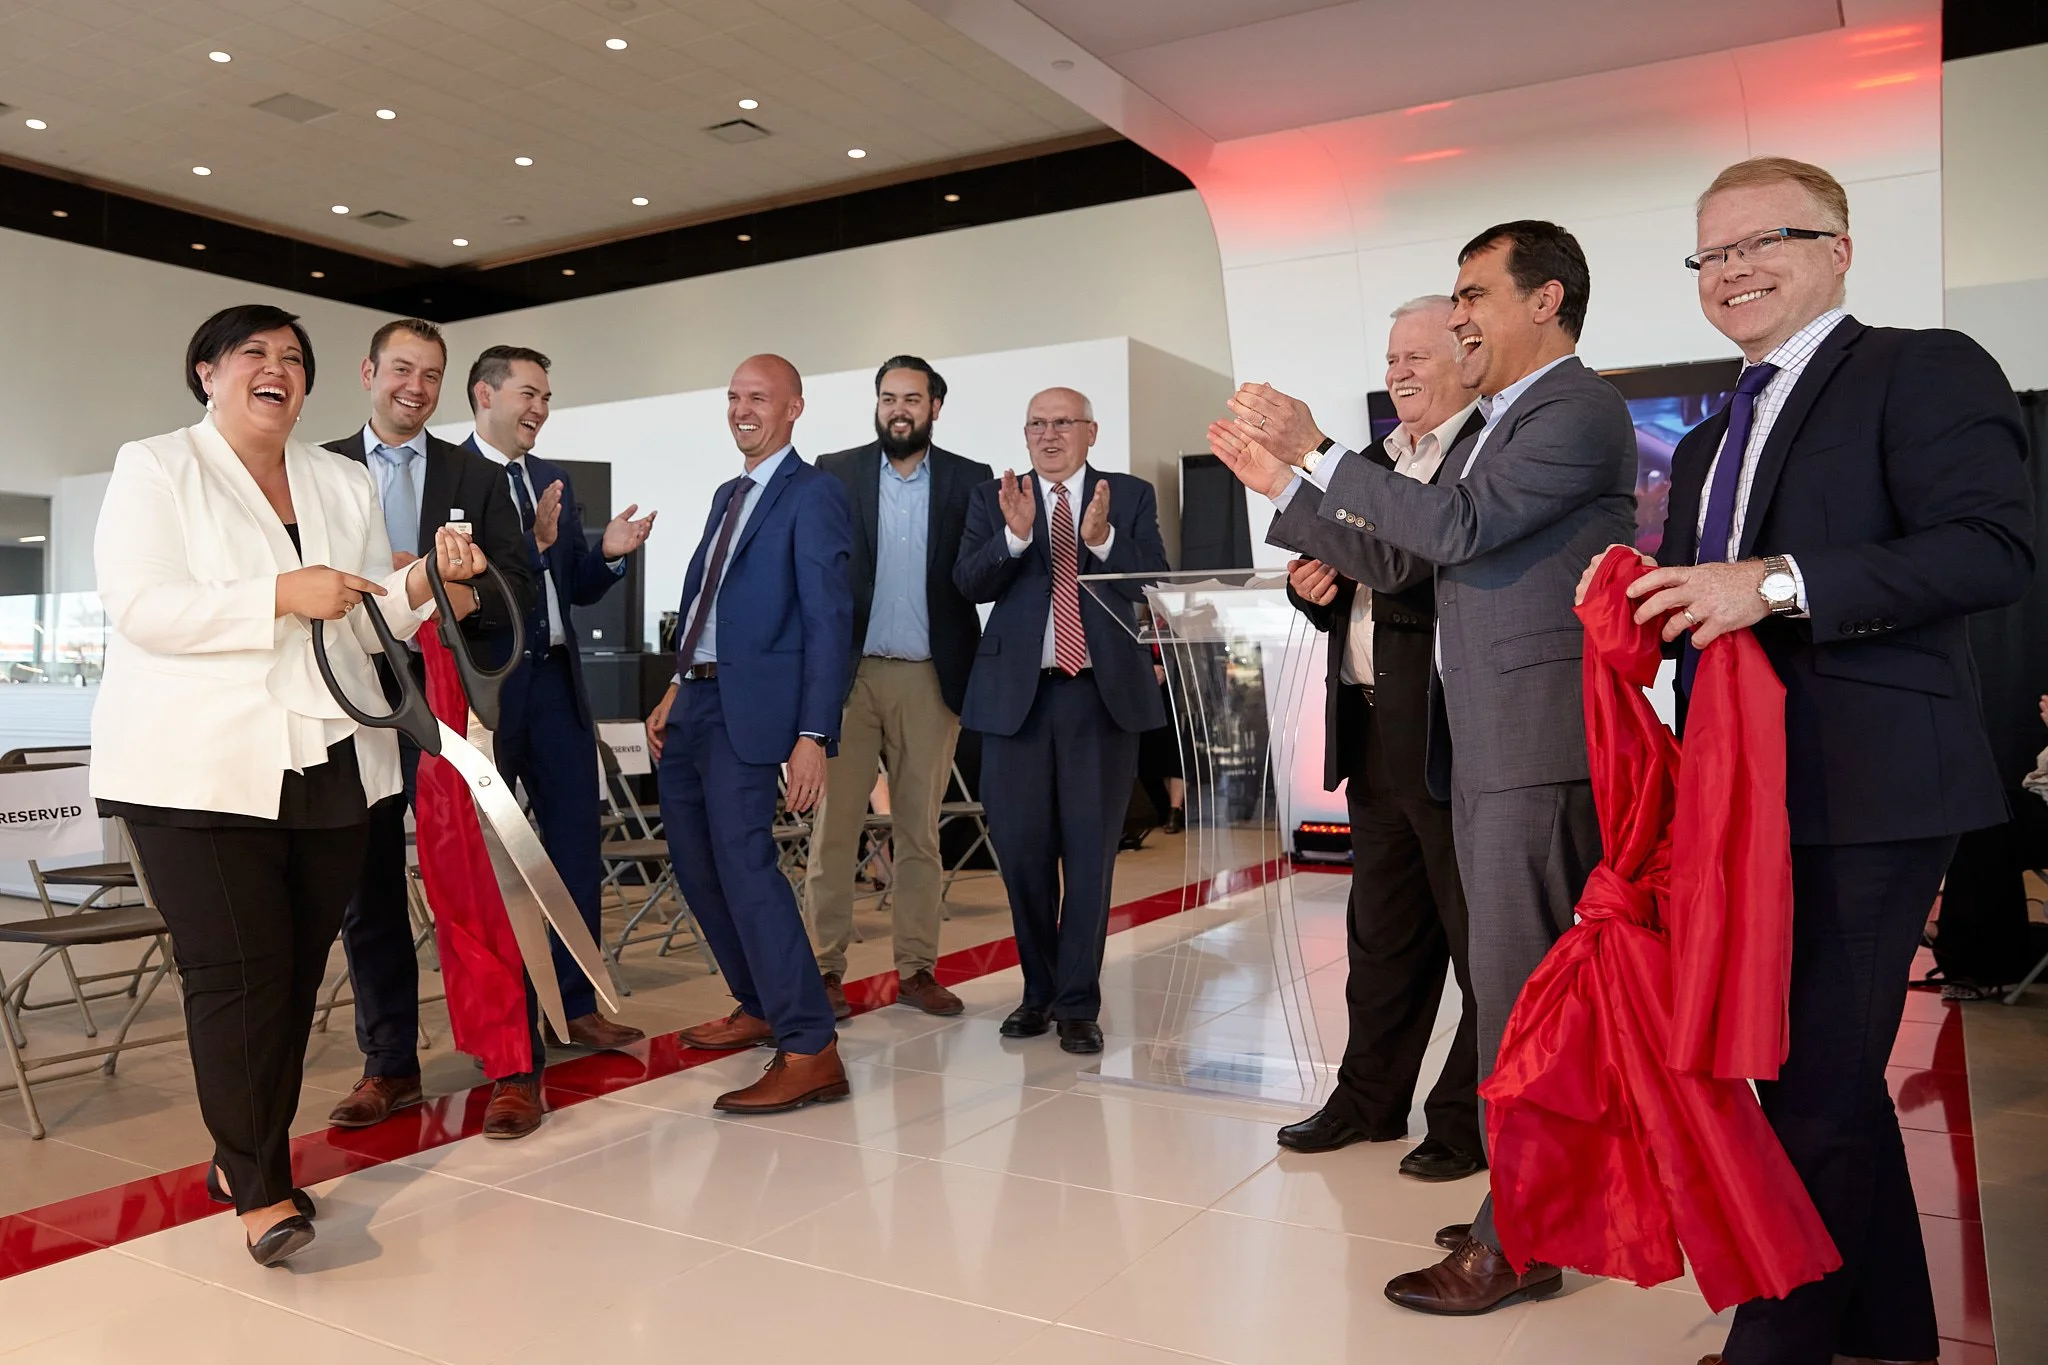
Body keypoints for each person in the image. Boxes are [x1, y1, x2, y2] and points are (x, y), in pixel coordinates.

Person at [1590, 157, 2032, 1365]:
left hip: (1874, 780)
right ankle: (1887, 1327)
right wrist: (1636, 602)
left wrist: (1773, 584)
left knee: (1805, 1088)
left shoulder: (1918, 366)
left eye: (1761, 240)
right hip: (1742, 798)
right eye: (1709, 254)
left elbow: (1992, 548)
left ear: (1837, 247)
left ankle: (1776, 1342)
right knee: (1815, 1077)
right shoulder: (1701, 445)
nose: (1731, 270)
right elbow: (1703, 613)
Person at [1208, 221, 1636, 1313]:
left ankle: (1519, 1239)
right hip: (1485, 740)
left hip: (1528, 742)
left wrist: (1313, 452)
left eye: (1471, 296)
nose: (1455, 319)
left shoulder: (1572, 407)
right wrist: (1285, 481)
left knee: (1519, 999)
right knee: (1511, 994)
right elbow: (1400, 554)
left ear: (1543, 300)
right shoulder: (1509, 419)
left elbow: (1451, 525)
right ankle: (1526, 1211)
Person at [91, 304, 488, 1265]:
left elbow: (359, 617)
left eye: (294, 359)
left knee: (297, 971)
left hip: (329, 760)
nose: (279, 369)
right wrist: (276, 592)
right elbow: (143, 606)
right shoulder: (156, 466)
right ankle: (260, 1186)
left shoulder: (338, 478)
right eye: (256, 354)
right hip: (197, 768)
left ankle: (240, 1158)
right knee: (236, 974)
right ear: (206, 371)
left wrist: (428, 584)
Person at [1274, 295, 1486, 1182]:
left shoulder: (1484, 454)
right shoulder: (1370, 462)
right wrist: (1309, 586)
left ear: (1468, 357)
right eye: (1391, 358)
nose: (1396, 372)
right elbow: (1347, 583)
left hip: (1451, 733)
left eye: (1417, 356)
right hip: (1368, 726)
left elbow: (1418, 570)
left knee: (1478, 942)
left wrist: (1350, 556)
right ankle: (1367, 1100)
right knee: (1382, 936)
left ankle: (1465, 1119)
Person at [319, 318, 535, 1129]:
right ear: (369, 370)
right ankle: (389, 1065)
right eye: (402, 369)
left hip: (452, 703)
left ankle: (512, 1063)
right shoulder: (319, 468)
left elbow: (519, 590)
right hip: (354, 701)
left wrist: (460, 589)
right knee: (366, 892)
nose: (416, 386)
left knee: (478, 881)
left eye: (432, 374)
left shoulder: (474, 473)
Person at [643, 354, 855, 1113]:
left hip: (753, 711)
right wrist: (673, 683)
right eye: (734, 396)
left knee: (745, 865)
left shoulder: (815, 494)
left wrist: (813, 732)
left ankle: (810, 1044)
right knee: (697, 867)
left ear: (794, 407)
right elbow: (706, 603)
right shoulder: (725, 494)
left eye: (758, 397)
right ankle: (759, 1001)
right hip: (694, 701)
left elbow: (830, 618)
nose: (742, 409)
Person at [466, 345, 656, 1138]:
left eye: (547, 395)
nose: (540, 407)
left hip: (556, 685)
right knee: (494, 862)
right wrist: (536, 546)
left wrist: (605, 553)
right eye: (528, 392)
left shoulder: (550, 478)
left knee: (577, 843)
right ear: (485, 395)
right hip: (489, 689)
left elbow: (571, 581)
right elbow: (464, 588)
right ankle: (510, 1025)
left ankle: (575, 1007)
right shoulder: (457, 479)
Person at [955, 388, 1171, 1055]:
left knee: (1088, 857)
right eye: (1037, 424)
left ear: (1091, 431)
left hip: (1098, 699)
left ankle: (1079, 1002)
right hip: (1014, 702)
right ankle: (1037, 991)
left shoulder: (1126, 495)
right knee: (1021, 856)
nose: (1049, 435)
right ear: (1025, 434)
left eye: (1063, 423)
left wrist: (1102, 539)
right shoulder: (995, 496)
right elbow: (969, 582)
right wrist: (1016, 535)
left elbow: (1155, 578)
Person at [807, 356, 993, 1020]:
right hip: (848, 678)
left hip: (929, 676)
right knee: (835, 830)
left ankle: (916, 969)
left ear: (935, 406)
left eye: (911, 398)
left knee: (919, 830)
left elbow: (981, 576)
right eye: (888, 397)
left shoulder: (972, 482)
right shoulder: (835, 469)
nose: (898, 409)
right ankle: (824, 971)